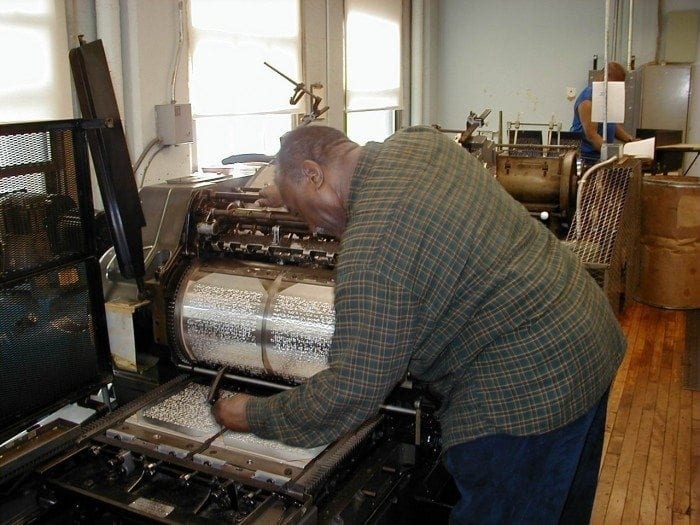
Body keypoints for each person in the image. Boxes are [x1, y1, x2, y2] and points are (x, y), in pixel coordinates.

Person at [213, 125, 626, 524]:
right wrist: (286, 189)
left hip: (523, 400)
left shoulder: (371, 253)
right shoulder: (419, 142)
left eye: (304, 211)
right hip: (586, 337)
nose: (314, 228)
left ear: (314, 174)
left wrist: (253, 414)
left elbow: (349, 391)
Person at [571, 61, 636, 167]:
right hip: (587, 160)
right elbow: (592, 135)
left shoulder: (603, 97)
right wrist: (613, 155)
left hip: (600, 157)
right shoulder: (587, 101)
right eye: (616, 84)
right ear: (606, 77)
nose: (617, 89)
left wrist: (630, 140)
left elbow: (611, 123)